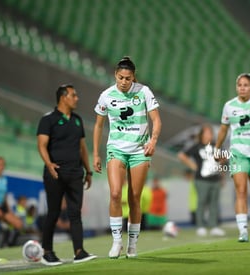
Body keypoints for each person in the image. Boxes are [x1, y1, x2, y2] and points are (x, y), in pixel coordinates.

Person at [93, 56, 161, 259]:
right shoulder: (106, 95)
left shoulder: (144, 92)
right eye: (121, 77)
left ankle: (132, 243)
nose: (124, 82)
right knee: (115, 194)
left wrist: (153, 141)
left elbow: (156, 120)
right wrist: (96, 153)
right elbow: (98, 125)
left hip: (140, 150)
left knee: (134, 198)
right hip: (116, 149)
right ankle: (116, 242)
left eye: (128, 78)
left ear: (134, 78)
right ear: (115, 75)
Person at [37, 84, 96, 265]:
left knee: (75, 213)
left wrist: (88, 170)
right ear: (63, 97)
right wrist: (49, 165)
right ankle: (47, 252)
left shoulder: (77, 120)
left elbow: (82, 148)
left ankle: (79, 251)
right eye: (73, 95)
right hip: (56, 173)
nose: (77, 98)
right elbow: (41, 145)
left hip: (75, 173)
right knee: (53, 212)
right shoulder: (48, 119)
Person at [215, 73, 250, 242]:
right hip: (238, 153)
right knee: (240, 192)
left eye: (246, 85)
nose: (242, 87)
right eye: (240, 85)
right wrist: (217, 148)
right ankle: (243, 231)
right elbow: (223, 129)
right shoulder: (229, 106)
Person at [178, 124, 226, 237]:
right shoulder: (197, 146)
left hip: (215, 178)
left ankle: (213, 226)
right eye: (207, 133)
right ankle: (200, 226)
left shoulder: (217, 146)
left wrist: (222, 175)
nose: (209, 135)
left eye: (210, 133)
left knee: (214, 203)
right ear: (202, 135)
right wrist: (193, 166)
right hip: (201, 179)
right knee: (202, 202)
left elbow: (222, 160)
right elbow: (181, 155)